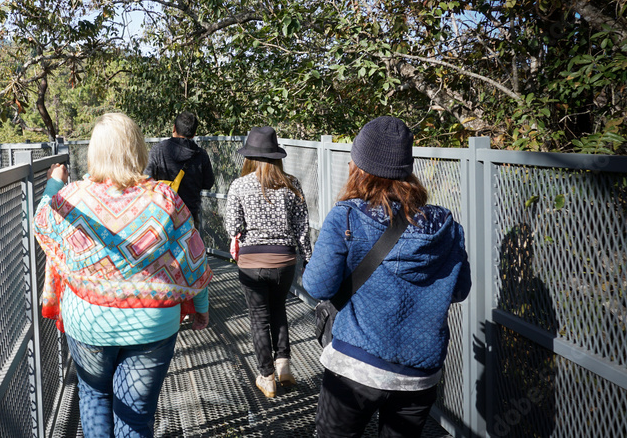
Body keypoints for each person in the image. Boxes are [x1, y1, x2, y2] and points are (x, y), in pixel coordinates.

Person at [33, 112, 212, 438]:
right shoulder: (164, 198)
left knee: (93, 395)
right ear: (137, 149)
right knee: (136, 419)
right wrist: (201, 308)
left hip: (88, 322)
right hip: (151, 324)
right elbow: (194, 259)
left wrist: (54, 181)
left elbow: (42, 220)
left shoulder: (72, 197)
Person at [302, 116, 471, 438]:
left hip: (355, 365)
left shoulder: (348, 215)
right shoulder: (445, 225)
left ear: (359, 166)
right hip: (419, 372)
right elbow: (460, 290)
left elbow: (317, 285)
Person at [225, 126, 310, 398]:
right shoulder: (292, 184)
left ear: (249, 156)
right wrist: (308, 259)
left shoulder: (239, 185)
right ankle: (284, 365)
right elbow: (302, 229)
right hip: (285, 261)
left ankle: (266, 376)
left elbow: (233, 225)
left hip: (252, 263)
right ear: (276, 156)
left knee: (259, 319)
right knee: (279, 309)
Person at [144, 111, 215, 227]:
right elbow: (208, 183)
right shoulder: (201, 155)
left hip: (162, 216)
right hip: (189, 216)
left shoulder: (158, 151)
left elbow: (146, 180)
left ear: (174, 128)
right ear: (194, 134)